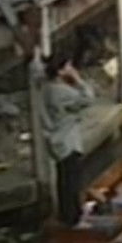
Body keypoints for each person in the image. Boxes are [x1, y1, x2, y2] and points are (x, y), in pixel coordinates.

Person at [42, 54, 95, 225]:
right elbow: (88, 98)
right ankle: (74, 219)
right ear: (60, 71)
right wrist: (77, 79)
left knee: (63, 180)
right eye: (68, 67)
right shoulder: (62, 92)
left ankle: (67, 216)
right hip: (68, 141)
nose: (71, 69)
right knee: (71, 181)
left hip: (56, 140)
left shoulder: (46, 89)